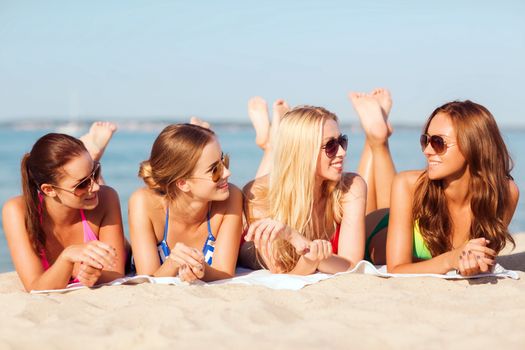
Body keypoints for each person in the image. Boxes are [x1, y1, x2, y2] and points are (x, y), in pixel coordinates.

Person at [241, 89, 395, 274]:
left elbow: (351, 265)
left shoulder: (350, 187)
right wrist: (312, 254)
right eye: (330, 146)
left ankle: (271, 140)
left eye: (342, 141)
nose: (342, 152)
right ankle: (269, 144)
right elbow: (282, 270)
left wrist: (299, 241)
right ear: (304, 151)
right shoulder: (260, 194)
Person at [386, 100, 519, 275]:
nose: (427, 150)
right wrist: (451, 259)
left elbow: (481, 263)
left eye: (438, 142)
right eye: (425, 140)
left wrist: (470, 264)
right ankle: (378, 140)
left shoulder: (505, 194)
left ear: (472, 145)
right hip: (375, 235)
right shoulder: (408, 184)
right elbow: (395, 269)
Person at [2, 122, 126, 291]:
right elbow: (35, 287)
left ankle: (91, 160)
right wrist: (67, 257)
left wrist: (95, 275)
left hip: (101, 218)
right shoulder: (17, 211)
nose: (95, 186)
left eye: (95, 174)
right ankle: (91, 158)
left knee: (127, 247)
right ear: (49, 190)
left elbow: (116, 273)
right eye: (82, 184)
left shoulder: (107, 197)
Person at [129, 123, 243, 282]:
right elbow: (147, 279)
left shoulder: (231, 198)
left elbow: (225, 272)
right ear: (183, 183)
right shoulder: (144, 203)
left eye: (223, 161)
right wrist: (173, 263)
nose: (227, 172)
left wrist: (201, 271)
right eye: (214, 170)